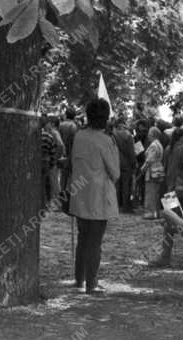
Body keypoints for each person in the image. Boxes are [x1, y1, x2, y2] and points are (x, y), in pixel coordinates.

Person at [68, 98, 119, 294]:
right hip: (98, 197)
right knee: (94, 242)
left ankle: (80, 280)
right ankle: (92, 283)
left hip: (80, 194)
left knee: (83, 239)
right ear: (105, 118)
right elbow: (115, 172)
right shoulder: (106, 141)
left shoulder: (79, 136)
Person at [140, 126, 164, 220]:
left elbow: (149, 160)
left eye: (150, 134)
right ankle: (156, 212)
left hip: (152, 171)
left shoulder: (154, 145)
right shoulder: (159, 144)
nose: (148, 136)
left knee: (150, 192)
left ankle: (150, 212)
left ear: (153, 135)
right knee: (156, 192)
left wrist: (143, 168)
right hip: (158, 171)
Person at [111, 118, 136, 211]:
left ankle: (116, 205)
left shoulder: (113, 135)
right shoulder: (128, 135)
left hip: (115, 162)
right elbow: (131, 152)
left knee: (117, 185)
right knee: (126, 185)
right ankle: (126, 206)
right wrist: (134, 163)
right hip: (127, 164)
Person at [40, 115, 65, 207]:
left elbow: (60, 145)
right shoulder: (51, 133)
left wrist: (55, 158)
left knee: (54, 182)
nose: (47, 125)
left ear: (52, 124)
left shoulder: (53, 133)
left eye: (49, 123)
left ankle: (60, 203)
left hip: (51, 161)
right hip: (51, 160)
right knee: (51, 182)